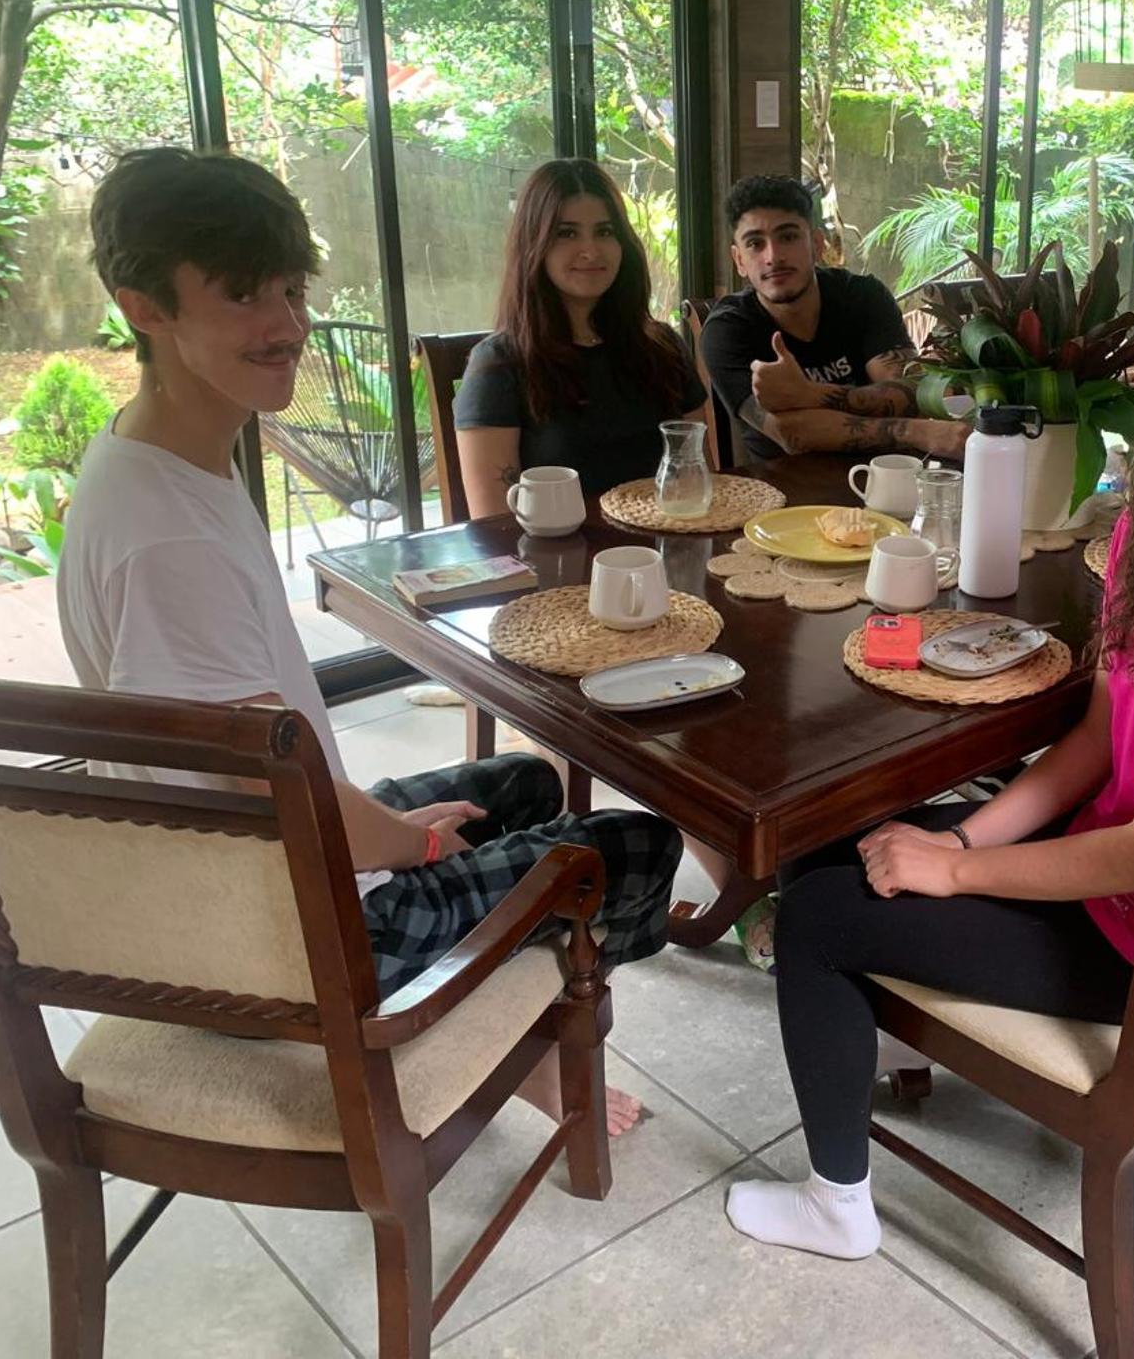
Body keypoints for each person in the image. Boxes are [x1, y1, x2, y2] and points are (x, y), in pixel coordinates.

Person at [58, 148, 684, 1137]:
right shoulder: (168, 538)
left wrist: (394, 833)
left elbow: (265, 774)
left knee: (525, 787)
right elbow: (279, 800)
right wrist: (411, 843)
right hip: (284, 944)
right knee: (638, 844)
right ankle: (515, 1041)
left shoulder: (162, 457)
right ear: (145, 309)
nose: (288, 324)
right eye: (242, 296)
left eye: (291, 289)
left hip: (270, 867)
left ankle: (500, 1015)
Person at [722, 317, 1134, 1260]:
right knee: (826, 835)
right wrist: (962, 843)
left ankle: (836, 1205)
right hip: (1114, 880)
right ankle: (886, 1028)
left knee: (815, 920)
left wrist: (955, 873)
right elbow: (1096, 740)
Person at [454, 159, 711, 516]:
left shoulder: (664, 348)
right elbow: (494, 525)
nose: (591, 251)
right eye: (567, 233)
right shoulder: (499, 365)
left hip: (667, 546)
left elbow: (701, 484)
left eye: (605, 231)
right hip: (556, 553)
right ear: (534, 245)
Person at [701, 175, 969, 460]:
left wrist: (808, 395)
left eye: (788, 237)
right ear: (739, 260)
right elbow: (793, 434)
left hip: (886, 469)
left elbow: (909, 394)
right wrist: (916, 433)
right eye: (755, 243)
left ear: (817, 244)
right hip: (786, 482)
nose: (773, 256)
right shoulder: (727, 329)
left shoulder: (862, 295)